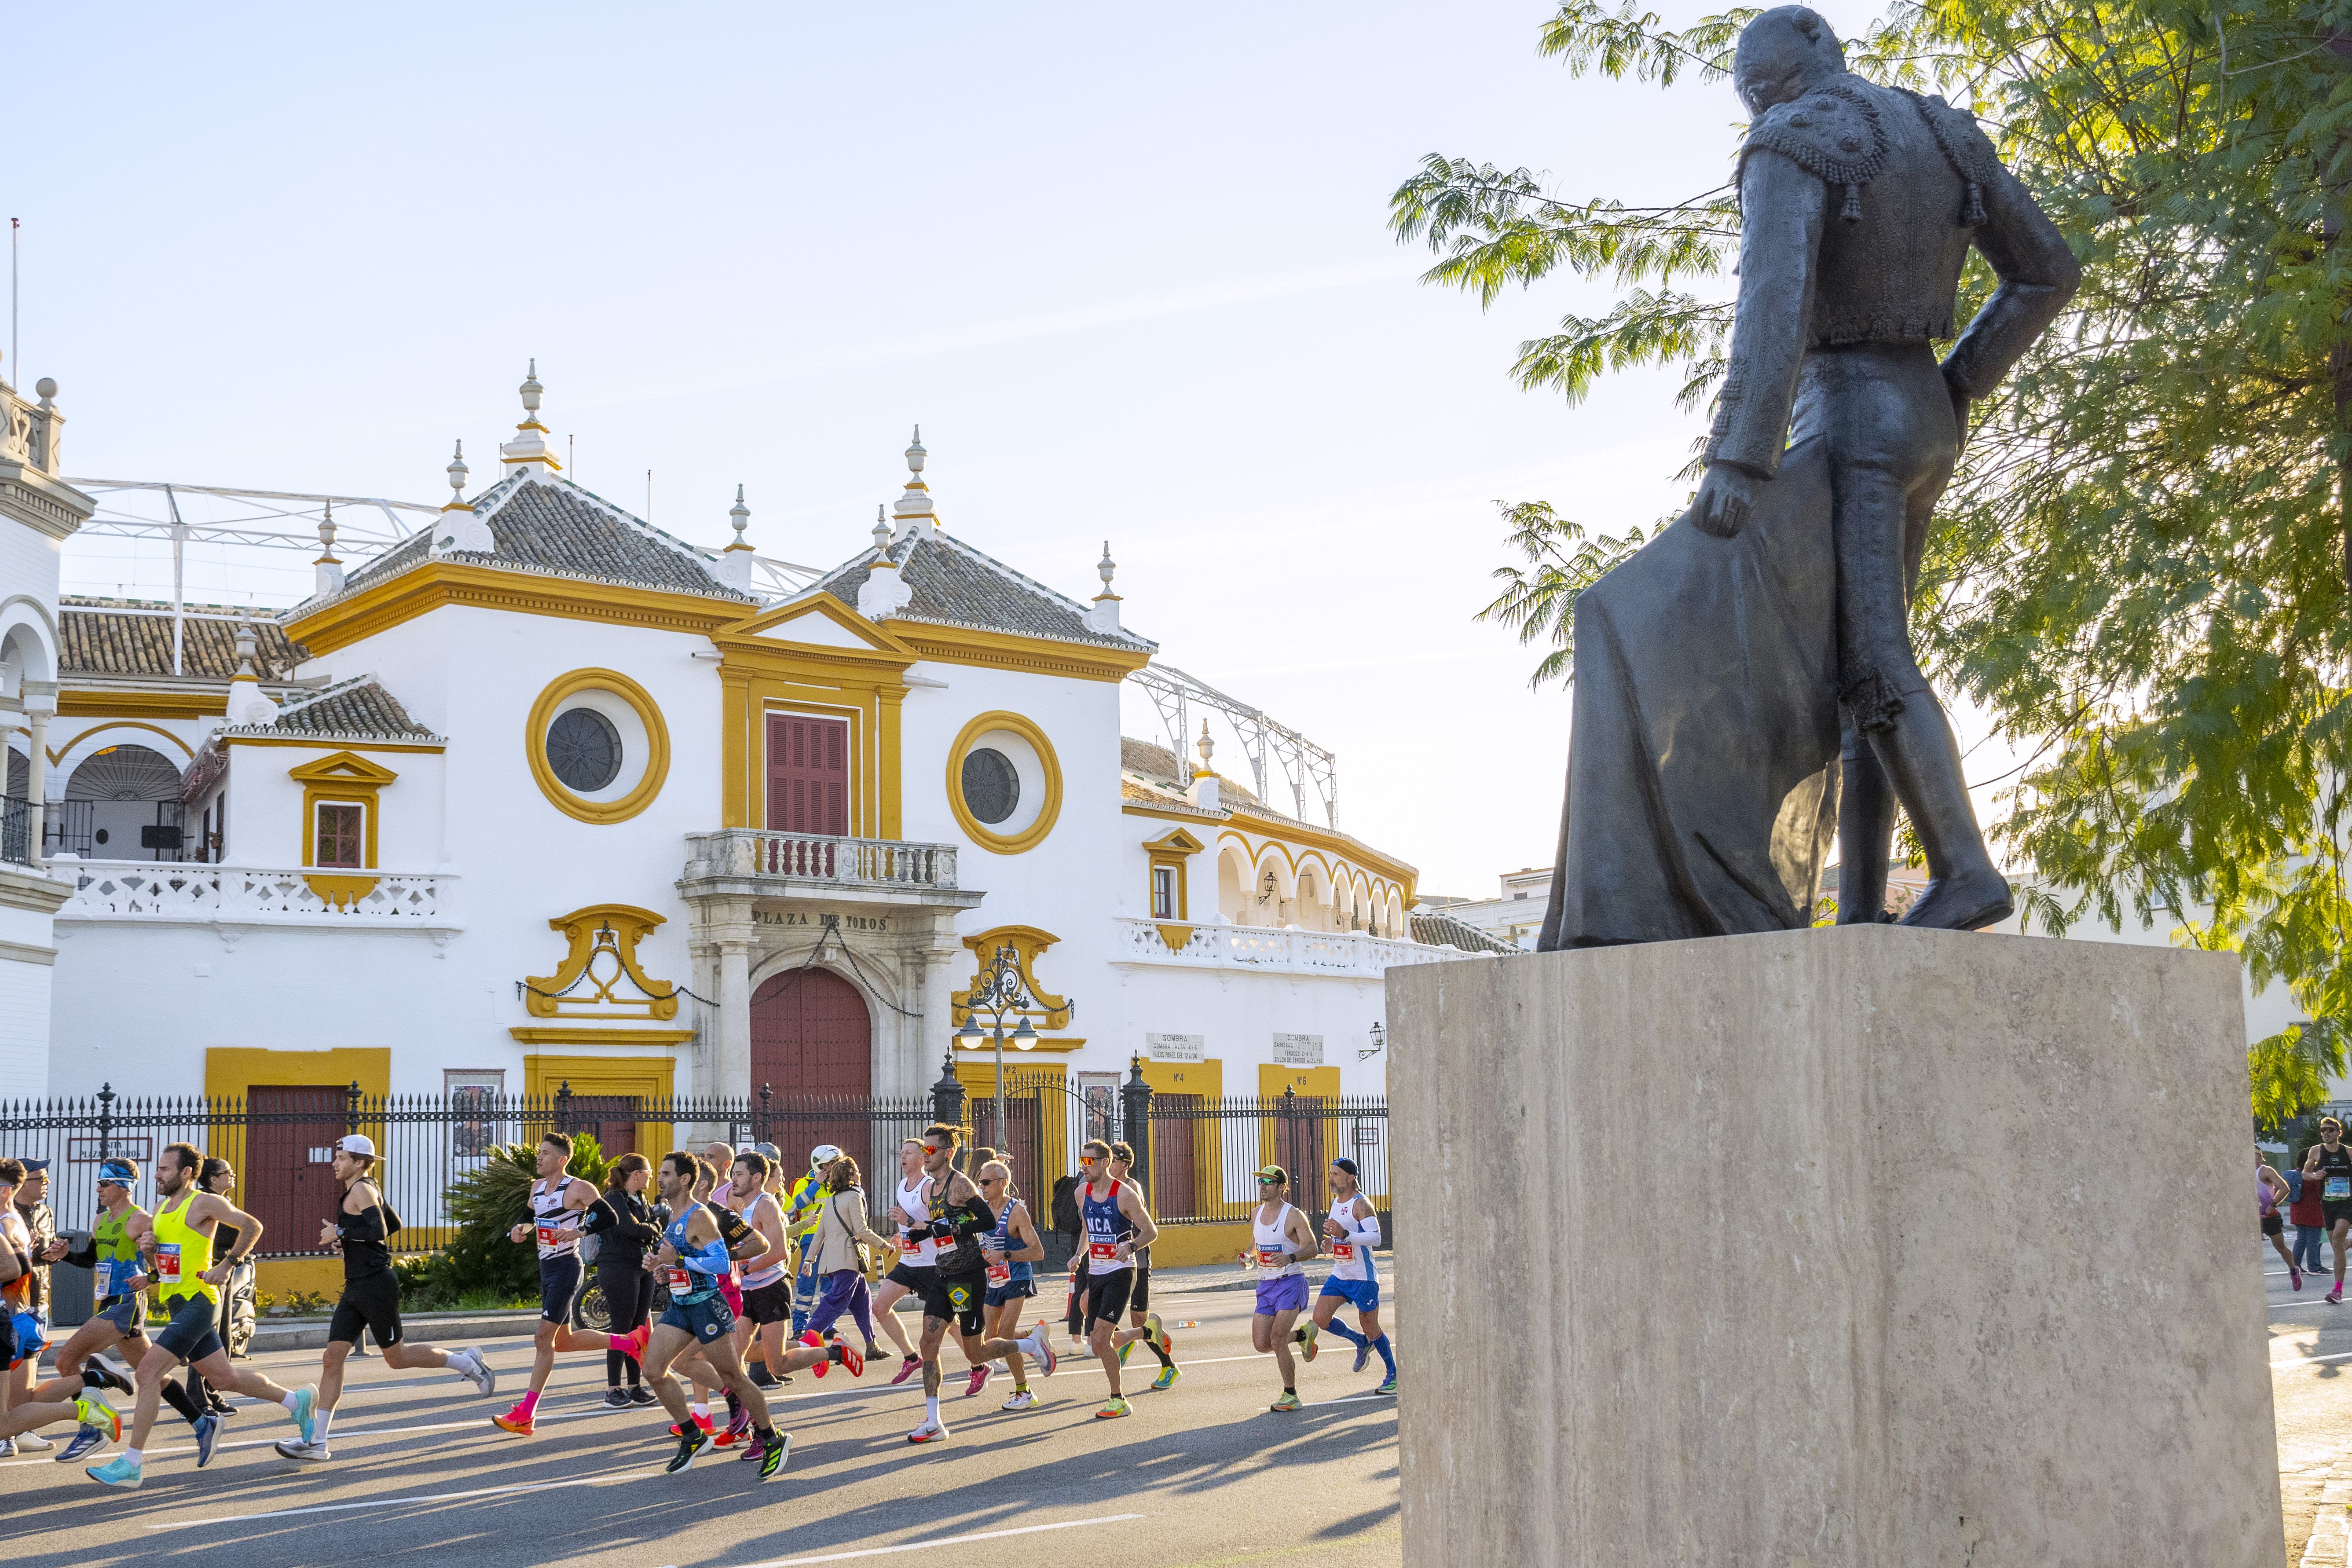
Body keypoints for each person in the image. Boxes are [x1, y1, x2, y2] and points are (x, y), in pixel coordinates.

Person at [87, 1142, 320, 1488]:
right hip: (178, 1301)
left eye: (165, 1169)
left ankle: (131, 1464)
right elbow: (165, 1265)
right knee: (224, 1379)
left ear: (186, 1173)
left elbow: (252, 1226)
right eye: (159, 1168)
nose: (157, 1174)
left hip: (200, 1299)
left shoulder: (204, 1203)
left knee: (148, 1371)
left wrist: (228, 1264)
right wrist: (149, 1262)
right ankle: (296, 1400)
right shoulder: (162, 1208)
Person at [275, 1135, 494, 1462]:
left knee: (397, 1358)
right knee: (332, 1359)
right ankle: (318, 1442)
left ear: (360, 1162)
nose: (335, 1163)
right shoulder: (363, 1188)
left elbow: (378, 1230)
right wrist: (347, 1240)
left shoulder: (362, 1188)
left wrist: (342, 1233)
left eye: (342, 1158)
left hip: (376, 1284)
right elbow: (395, 1224)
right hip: (356, 1287)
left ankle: (467, 1362)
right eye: (336, 1157)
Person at [34, 1158, 216, 1466]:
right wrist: (65, 1256)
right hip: (108, 1301)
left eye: (104, 1184)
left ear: (123, 1186)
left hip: (127, 1303)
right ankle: (201, 1421)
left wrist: (153, 1272)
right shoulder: (100, 1221)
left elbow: (171, 1258)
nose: (98, 1190)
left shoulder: (142, 1220)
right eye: (99, 1184)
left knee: (66, 1359)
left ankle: (93, 1426)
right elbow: (92, 1260)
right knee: (154, 1376)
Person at [639, 1151, 788, 1480]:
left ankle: (773, 1438)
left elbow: (721, 1263)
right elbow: (680, 1262)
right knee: (653, 1370)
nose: (659, 1179)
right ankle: (693, 1434)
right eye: (659, 1173)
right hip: (682, 1306)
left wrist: (678, 1262)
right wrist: (662, 1270)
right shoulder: (673, 1216)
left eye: (665, 1174)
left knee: (733, 1377)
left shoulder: (699, 1216)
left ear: (685, 1180)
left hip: (707, 1305)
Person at [904, 1125, 1057, 1443]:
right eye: (923, 1150)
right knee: (927, 1343)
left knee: (976, 1353)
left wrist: (947, 1228)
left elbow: (984, 1221)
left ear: (948, 1153)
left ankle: (1031, 1345)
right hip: (943, 1272)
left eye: (930, 1150)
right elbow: (944, 1223)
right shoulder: (931, 1187)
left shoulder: (961, 1185)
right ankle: (934, 1422)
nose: (924, 1156)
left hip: (968, 1275)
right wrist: (926, 1231)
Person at [493, 1132, 646, 1435]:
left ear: (562, 1160)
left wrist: (580, 1232)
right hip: (546, 1267)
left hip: (566, 1267)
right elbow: (529, 1216)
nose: (539, 1157)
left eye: (545, 1153)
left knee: (542, 1340)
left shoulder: (578, 1188)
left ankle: (526, 1413)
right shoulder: (537, 1187)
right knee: (563, 1342)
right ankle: (629, 1341)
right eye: (540, 1152)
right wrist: (519, 1230)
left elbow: (610, 1217)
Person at [1076, 1137, 1171, 1420]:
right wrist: (1080, 1254)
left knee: (1102, 1337)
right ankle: (1146, 1331)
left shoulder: (1125, 1193)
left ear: (1105, 1163)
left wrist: (1130, 1246)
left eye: (1089, 1161)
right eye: (1081, 1161)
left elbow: (1150, 1231)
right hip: (1095, 1271)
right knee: (1097, 1343)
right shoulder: (1082, 1193)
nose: (1084, 1166)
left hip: (1121, 1272)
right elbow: (1086, 1228)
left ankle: (1118, 1399)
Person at [1307, 1158, 1396, 1394]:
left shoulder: (1361, 1205)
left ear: (1350, 1178)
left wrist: (1344, 1234)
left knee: (1371, 1326)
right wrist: (1331, 1244)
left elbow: (1376, 1238)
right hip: (1340, 1274)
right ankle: (1360, 1342)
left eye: (1335, 1175)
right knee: (1321, 1319)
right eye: (1330, 1174)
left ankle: (1393, 1376)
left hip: (1363, 1277)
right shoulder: (1337, 1203)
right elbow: (1341, 1238)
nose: (1330, 1179)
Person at [582, 1153, 661, 1408]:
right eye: (648, 1172)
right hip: (617, 1267)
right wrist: (649, 1228)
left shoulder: (639, 1198)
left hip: (642, 1265)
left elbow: (651, 1226)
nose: (652, 1176)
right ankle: (613, 1389)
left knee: (639, 1328)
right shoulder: (615, 1198)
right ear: (636, 1174)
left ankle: (634, 1387)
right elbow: (630, 1228)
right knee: (621, 1328)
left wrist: (648, 1227)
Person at [1241, 1165, 1320, 1413]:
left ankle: (1291, 1394)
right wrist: (1249, 1256)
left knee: (1277, 1339)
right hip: (1266, 1285)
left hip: (1291, 1284)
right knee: (1262, 1343)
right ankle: (1303, 1336)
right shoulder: (1256, 1213)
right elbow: (1258, 1242)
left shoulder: (1293, 1216)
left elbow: (1312, 1248)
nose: (1263, 1186)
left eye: (1268, 1182)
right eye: (1260, 1181)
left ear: (1282, 1187)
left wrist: (1291, 1258)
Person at [801, 1154, 892, 1363]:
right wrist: (884, 1244)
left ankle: (872, 1345)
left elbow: (820, 1233)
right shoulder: (854, 1196)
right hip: (848, 1260)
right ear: (852, 1174)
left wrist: (809, 1260)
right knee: (836, 1301)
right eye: (857, 1170)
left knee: (863, 1302)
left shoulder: (832, 1200)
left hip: (833, 1262)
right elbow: (861, 1229)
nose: (860, 1173)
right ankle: (805, 1340)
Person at [976, 1159, 1049, 1411]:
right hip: (994, 1280)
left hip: (1017, 1276)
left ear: (1002, 1183)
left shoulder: (1016, 1211)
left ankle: (1024, 1392)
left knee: (1005, 1335)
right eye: (980, 1182)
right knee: (991, 1337)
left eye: (986, 1182)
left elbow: (1038, 1252)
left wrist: (1005, 1254)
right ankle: (1032, 1339)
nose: (982, 1187)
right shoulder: (982, 1210)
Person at [1107, 1142, 1178, 1389]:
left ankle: (1169, 1366)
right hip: (1111, 1261)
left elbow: (1142, 1226)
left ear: (1124, 1164)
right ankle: (1126, 1340)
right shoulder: (1104, 1187)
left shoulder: (1131, 1188)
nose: (1108, 1162)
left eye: (1113, 1159)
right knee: (1094, 1307)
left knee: (1140, 1320)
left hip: (1136, 1257)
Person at [9, 1156, 63, 1451]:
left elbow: (44, 1253)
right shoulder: (6, 1213)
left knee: (30, 1369)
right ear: (22, 1183)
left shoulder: (45, 1211)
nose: (47, 1184)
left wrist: (56, 1251)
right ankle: (11, 1430)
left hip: (38, 1299)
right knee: (11, 1368)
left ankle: (22, 1429)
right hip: (13, 1301)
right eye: (41, 1179)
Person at [877, 1138, 934, 1385]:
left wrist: (909, 1222)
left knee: (949, 1322)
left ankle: (978, 1365)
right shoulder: (902, 1186)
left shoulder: (928, 1186)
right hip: (909, 1263)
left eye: (909, 1153)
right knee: (879, 1307)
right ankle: (911, 1358)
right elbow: (907, 1221)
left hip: (932, 1265)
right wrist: (900, 1236)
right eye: (901, 1153)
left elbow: (937, 1226)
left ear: (923, 1158)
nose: (903, 1157)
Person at [784, 1143, 839, 1338]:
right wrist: (816, 1183)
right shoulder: (805, 1182)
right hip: (811, 1239)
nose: (833, 1167)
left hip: (833, 1239)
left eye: (835, 1163)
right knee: (807, 1285)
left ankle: (826, 1325)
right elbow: (798, 1204)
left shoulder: (837, 1184)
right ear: (819, 1165)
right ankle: (800, 1327)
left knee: (829, 1286)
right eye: (830, 1163)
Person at [2306, 1117, 2352, 1305]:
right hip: (2327, 1204)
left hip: (2347, 1203)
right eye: (2323, 1130)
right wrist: (2314, 1175)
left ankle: (2337, 1290)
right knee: (2337, 1247)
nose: (2326, 1133)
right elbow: (2305, 1173)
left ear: (2338, 1133)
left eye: (2330, 1130)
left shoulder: (2348, 1152)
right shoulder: (2316, 1151)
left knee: (2337, 1240)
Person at [2260, 1147, 2301, 1292]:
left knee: (2280, 1248)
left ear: (2260, 1157)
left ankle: (2293, 1270)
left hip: (2269, 1217)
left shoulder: (2266, 1171)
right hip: (2252, 1218)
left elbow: (2284, 1188)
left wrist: (2273, 1205)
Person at [2292, 1150, 2329, 1279]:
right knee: (2313, 1241)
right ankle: (2314, 1267)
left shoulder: (2295, 1173)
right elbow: (2320, 1193)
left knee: (2301, 1240)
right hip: (2312, 1211)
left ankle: (2295, 1266)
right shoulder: (2310, 1176)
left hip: (2297, 1211)